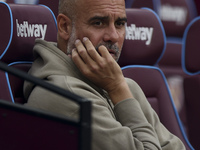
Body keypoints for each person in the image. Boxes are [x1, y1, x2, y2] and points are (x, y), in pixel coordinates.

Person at [23, 0, 186, 149]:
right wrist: (117, 89)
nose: (114, 36)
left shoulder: (125, 85)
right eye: (99, 23)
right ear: (65, 27)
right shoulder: (63, 95)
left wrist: (119, 88)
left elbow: (177, 147)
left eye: (120, 23)